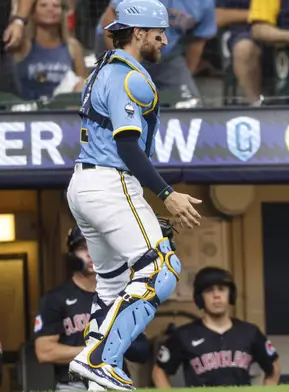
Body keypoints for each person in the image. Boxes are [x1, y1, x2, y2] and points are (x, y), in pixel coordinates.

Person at [65, 0, 202, 390]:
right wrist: (166, 194)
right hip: (111, 181)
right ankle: (98, 360)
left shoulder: (104, 68)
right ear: (138, 33)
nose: (165, 38)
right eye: (159, 32)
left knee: (110, 284)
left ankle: (95, 381)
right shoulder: (129, 77)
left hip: (85, 185)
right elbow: (128, 147)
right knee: (161, 268)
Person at [34, 226, 151, 391]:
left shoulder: (124, 295)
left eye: (96, 246)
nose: (91, 253)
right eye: (83, 248)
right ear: (71, 255)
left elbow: (141, 351)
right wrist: (98, 351)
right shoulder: (55, 298)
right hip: (73, 384)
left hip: (114, 380)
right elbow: (44, 352)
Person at [152, 267, 280, 387]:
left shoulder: (250, 332)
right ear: (200, 298)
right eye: (209, 291)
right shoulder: (184, 335)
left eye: (221, 289)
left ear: (230, 294)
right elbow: (159, 372)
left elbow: (273, 369)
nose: (216, 295)